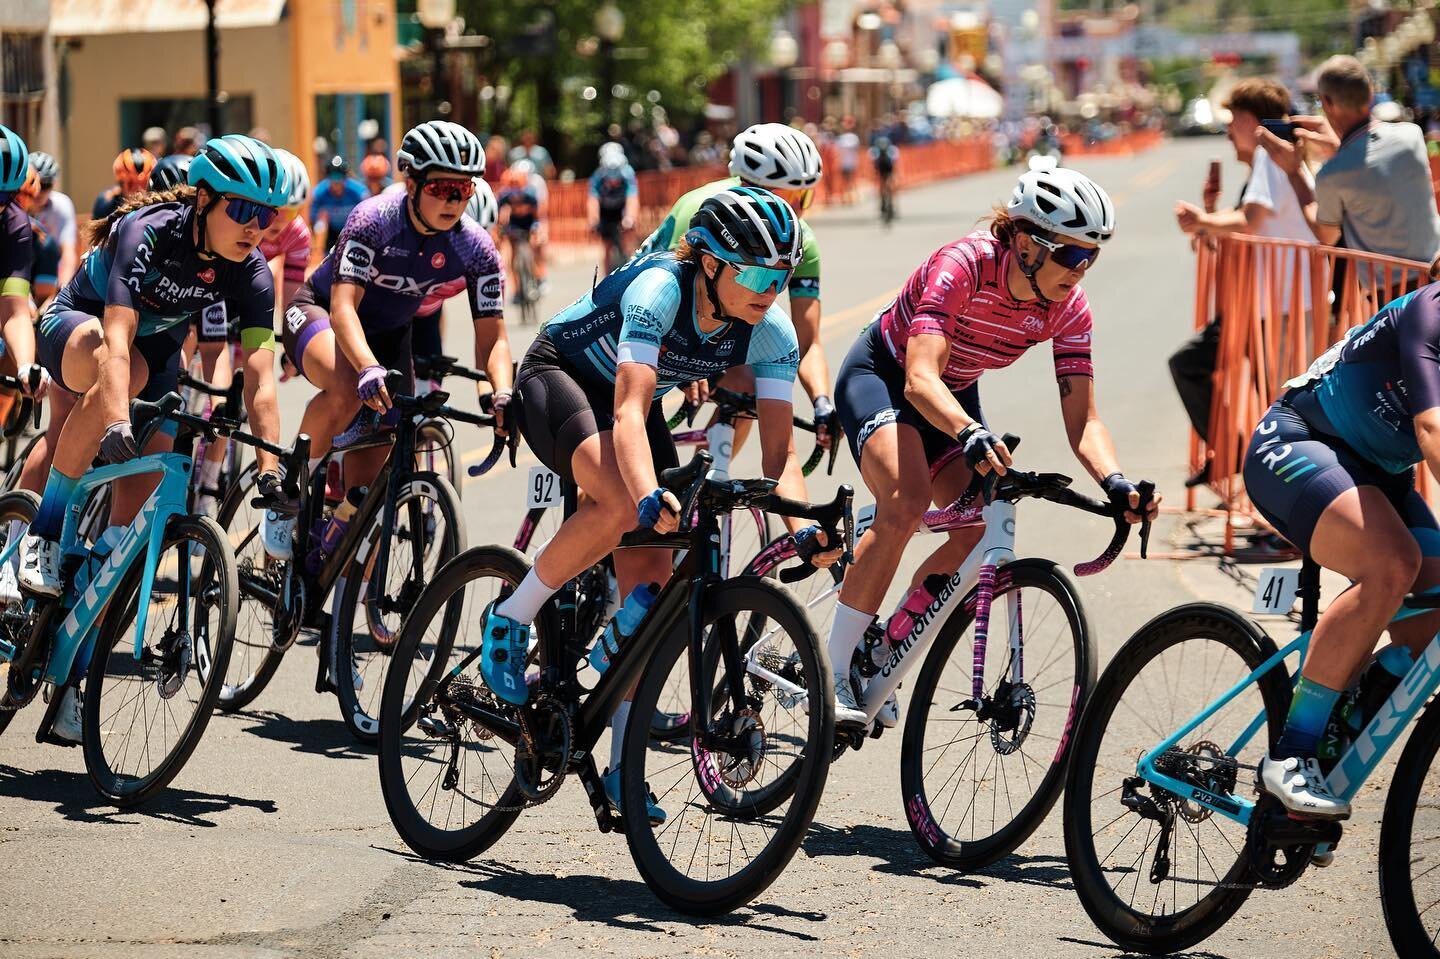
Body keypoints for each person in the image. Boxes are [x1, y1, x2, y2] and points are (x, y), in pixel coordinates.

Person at [490, 186, 841, 819]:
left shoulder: (771, 332)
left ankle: (625, 765)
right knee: (625, 504)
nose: (770, 288)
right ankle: (512, 615)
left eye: (781, 274)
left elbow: (780, 456)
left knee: (650, 593)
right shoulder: (661, 289)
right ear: (709, 263)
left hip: (630, 404)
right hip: (562, 378)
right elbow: (626, 410)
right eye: (757, 272)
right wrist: (649, 494)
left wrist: (804, 529)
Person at [827, 157, 1158, 725]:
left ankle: (881, 648)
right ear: (1026, 244)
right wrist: (970, 433)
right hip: (887, 375)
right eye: (1072, 254)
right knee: (906, 502)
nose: (1082, 270)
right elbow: (919, 376)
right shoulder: (964, 265)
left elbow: (1084, 420)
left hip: (952, 396)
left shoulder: (1069, 309)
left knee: (977, 528)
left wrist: (1116, 481)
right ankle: (831, 670)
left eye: (1093, 256)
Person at [14, 135, 292, 738]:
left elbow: (262, 383)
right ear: (204, 200)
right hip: (79, 326)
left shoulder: (253, 276)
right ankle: (39, 532)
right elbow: (118, 340)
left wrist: (273, 471)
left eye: (266, 216)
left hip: (155, 351)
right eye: (243, 210)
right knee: (127, 377)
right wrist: (115, 419)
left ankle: (74, 676)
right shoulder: (146, 231)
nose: (255, 228)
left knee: (127, 542)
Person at [277, 121, 513, 577]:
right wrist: (366, 367)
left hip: (388, 339)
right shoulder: (375, 218)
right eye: (443, 187)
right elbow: (344, 307)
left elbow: (494, 337)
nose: (453, 201)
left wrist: (501, 391)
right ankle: (286, 491)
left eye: (464, 190)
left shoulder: (476, 247)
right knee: (347, 389)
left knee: (365, 513)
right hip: (321, 314)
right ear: (412, 182)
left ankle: (328, 578)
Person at [1240, 285, 1440, 818]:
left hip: (1380, 474)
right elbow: (1431, 428)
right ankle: (1291, 755)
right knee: (1392, 565)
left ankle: (1343, 714)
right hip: (1299, 442)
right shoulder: (1431, 310)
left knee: (1432, 628)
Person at [634, 123, 834, 449]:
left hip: (714, 328)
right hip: (651, 323)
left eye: (805, 196)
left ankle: (706, 483)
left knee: (752, 390)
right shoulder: (702, 212)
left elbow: (807, 342)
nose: (796, 212)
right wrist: (683, 362)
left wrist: (822, 402)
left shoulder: (801, 240)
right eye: (789, 197)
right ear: (750, 186)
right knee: (628, 454)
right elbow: (652, 294)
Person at [1172, 78, 1315, 483]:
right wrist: (1210, 221)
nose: (1229, 129)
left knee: (1289, 408)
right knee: (1283, 405)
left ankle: (1295, 507)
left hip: (1289, 301)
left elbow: (1250, 222)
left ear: (1252, 121)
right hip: (1276, 302)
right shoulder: (1269, 163)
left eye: (1233, 119)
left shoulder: (1271, 159)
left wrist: (1202, 220)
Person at [1259, 55, 1440, 267]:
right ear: (1370, 92)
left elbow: (1326, 235)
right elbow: (1373, 164)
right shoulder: (1411, 135)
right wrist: (1340, 147)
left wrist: (1293, 172)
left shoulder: (1334, 173)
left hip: (1393, 295)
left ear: (1326, 102)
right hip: (1434, 279)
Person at [411, 177, 499, 391]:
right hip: (379, 316)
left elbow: (488, 335)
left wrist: (491, 393)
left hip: (427, 316)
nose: (471, 252)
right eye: (461, 241)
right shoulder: (411, 239)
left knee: (428, 398)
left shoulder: (485, 258)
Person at [25, 152, 79, 290]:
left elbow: (68, 252)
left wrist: (63, 288)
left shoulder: (62, 204)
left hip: (48, 269)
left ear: (53, 184)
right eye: (33, 183)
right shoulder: (15, 205)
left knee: (47, 244)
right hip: (20, 266)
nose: (38, 191)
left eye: (45, 185)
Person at [496, 159, 548, 295]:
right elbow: (500, 214)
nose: (515, 188)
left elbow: (538, 216)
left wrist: (537, 229)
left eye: (517, 185)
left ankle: (538, 276)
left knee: (534, 244)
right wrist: (500, 230)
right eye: (511, 185)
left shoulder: (530, 194)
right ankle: (518, 289)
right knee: (513, 253)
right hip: (514, 223)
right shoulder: (504, 195)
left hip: (529, 222)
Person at [587, 142, 638, 272]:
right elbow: (592, 201)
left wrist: (630, 218)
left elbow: (632, 199)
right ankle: (606, 278)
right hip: (605, 210)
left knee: (628, 234)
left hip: (621, 208)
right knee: (607, 246)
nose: (614, 181)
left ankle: (631, 262)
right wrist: (593, 221)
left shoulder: (628, 174)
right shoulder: (597, 176)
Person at [309, 156, 368, 254]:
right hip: (331, 232)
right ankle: (321, 256)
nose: (336, 182)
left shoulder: (359, 192)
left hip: (352, 231)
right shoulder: (319, 193)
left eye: (339, 177)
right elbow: (313, 220)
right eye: (333, 177)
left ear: (345, 178)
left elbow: (368, 214)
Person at [92, 148, 156, 222]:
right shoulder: (105, 205)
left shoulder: (159, 205)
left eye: (144, 184)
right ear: (120, 184)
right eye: (131, 184)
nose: (138, 191)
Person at [871, 135, 899, 221]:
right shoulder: (891, 150)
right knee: (886, 186)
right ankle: (885, 203)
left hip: (886, 169)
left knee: (886, 186)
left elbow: (893, 163)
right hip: (883, 169)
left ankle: (887, 203)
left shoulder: (890, 150)